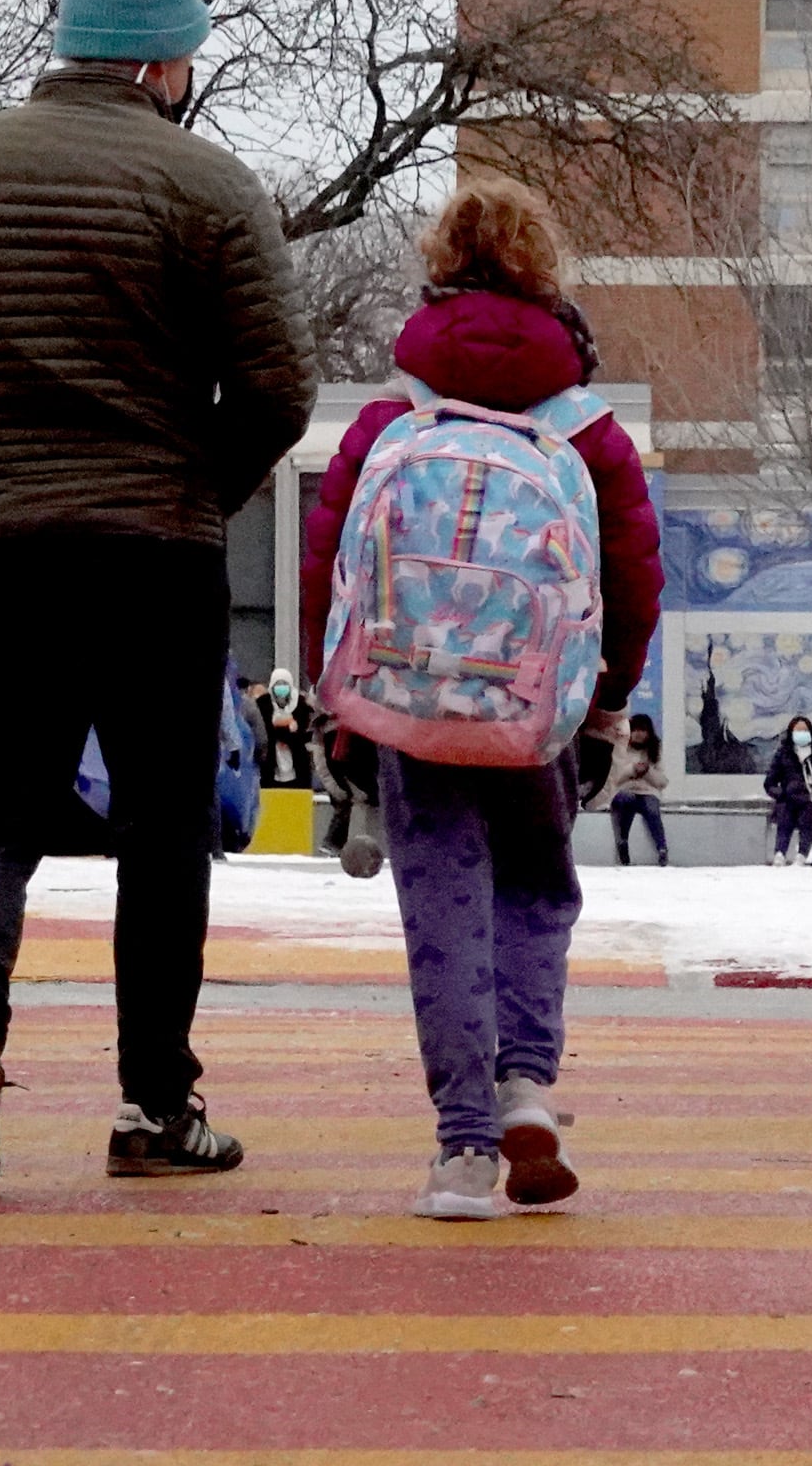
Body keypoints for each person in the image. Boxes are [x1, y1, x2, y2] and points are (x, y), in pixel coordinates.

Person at [0, 0, 316, 1197]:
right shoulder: (211, 186)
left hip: (0, 555)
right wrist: (196, 491)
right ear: (163, 60)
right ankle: (156, 1104)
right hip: (159, 559)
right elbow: (278, 386)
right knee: (164, 825)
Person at [299, 182, 661, 1221]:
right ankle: (528, 1090)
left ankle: (462, 1147)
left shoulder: (392, 417)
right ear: (547, 275)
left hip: (412, 700)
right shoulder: (586, 431)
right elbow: (634, 575)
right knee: (535, 892)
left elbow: (329, 562)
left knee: (444, 906)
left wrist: (343, 703)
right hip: (535, 707)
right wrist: (604, 706)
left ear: (440, 266)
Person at [764, 715, 812, 865]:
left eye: (804, 730)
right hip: (788, 798)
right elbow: (769, 783)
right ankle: (780, 853)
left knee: (808, 814)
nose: (801, 734)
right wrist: (781, 794)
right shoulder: (783, 755)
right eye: (798, 731)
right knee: (785, 814)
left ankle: (802, 855)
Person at [607, 714, 669, 865]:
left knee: (652, 808)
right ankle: (622, 844)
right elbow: (613, 778)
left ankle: (662, 849)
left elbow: (662, 782)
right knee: (625, 800)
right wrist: (632, 770)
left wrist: (647, 771)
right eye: (635, 730)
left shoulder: (655, 751)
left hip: (647, 792)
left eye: (643, 730)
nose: (639, 734)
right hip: (624, 791)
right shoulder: (619, 748)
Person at [252, 669, 316, 789]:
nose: (281, 689)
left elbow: (303, 732)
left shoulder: (300, 705)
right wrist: (288, 726)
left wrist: (280, 728)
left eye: (284, 685)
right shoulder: (264, 703)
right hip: (271, 759)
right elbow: (264, 729)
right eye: (278, 685)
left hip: (296, 759)